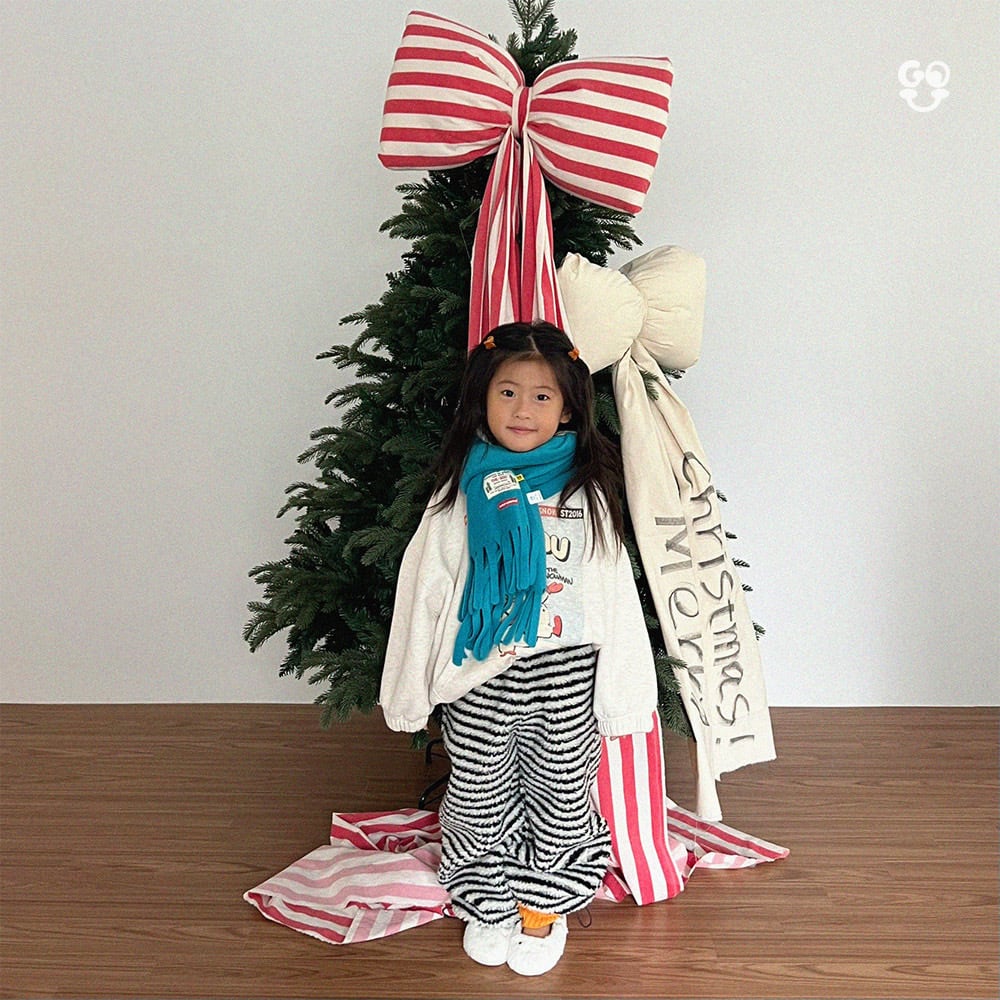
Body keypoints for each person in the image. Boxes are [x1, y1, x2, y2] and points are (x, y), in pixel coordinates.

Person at [379, 321, 657, 977]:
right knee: (478, 793)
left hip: (566, 679)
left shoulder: (588, 492)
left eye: (541, 396)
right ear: (483, 399)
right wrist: (409, 691)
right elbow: (424, 588)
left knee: (561, 796)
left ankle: (543, 906)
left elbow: (614, 596)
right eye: (507, 392)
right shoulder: (461, 493)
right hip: (480, 678)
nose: (522, 409)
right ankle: (487, 899)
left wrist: (624, 699)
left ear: (568, 409)